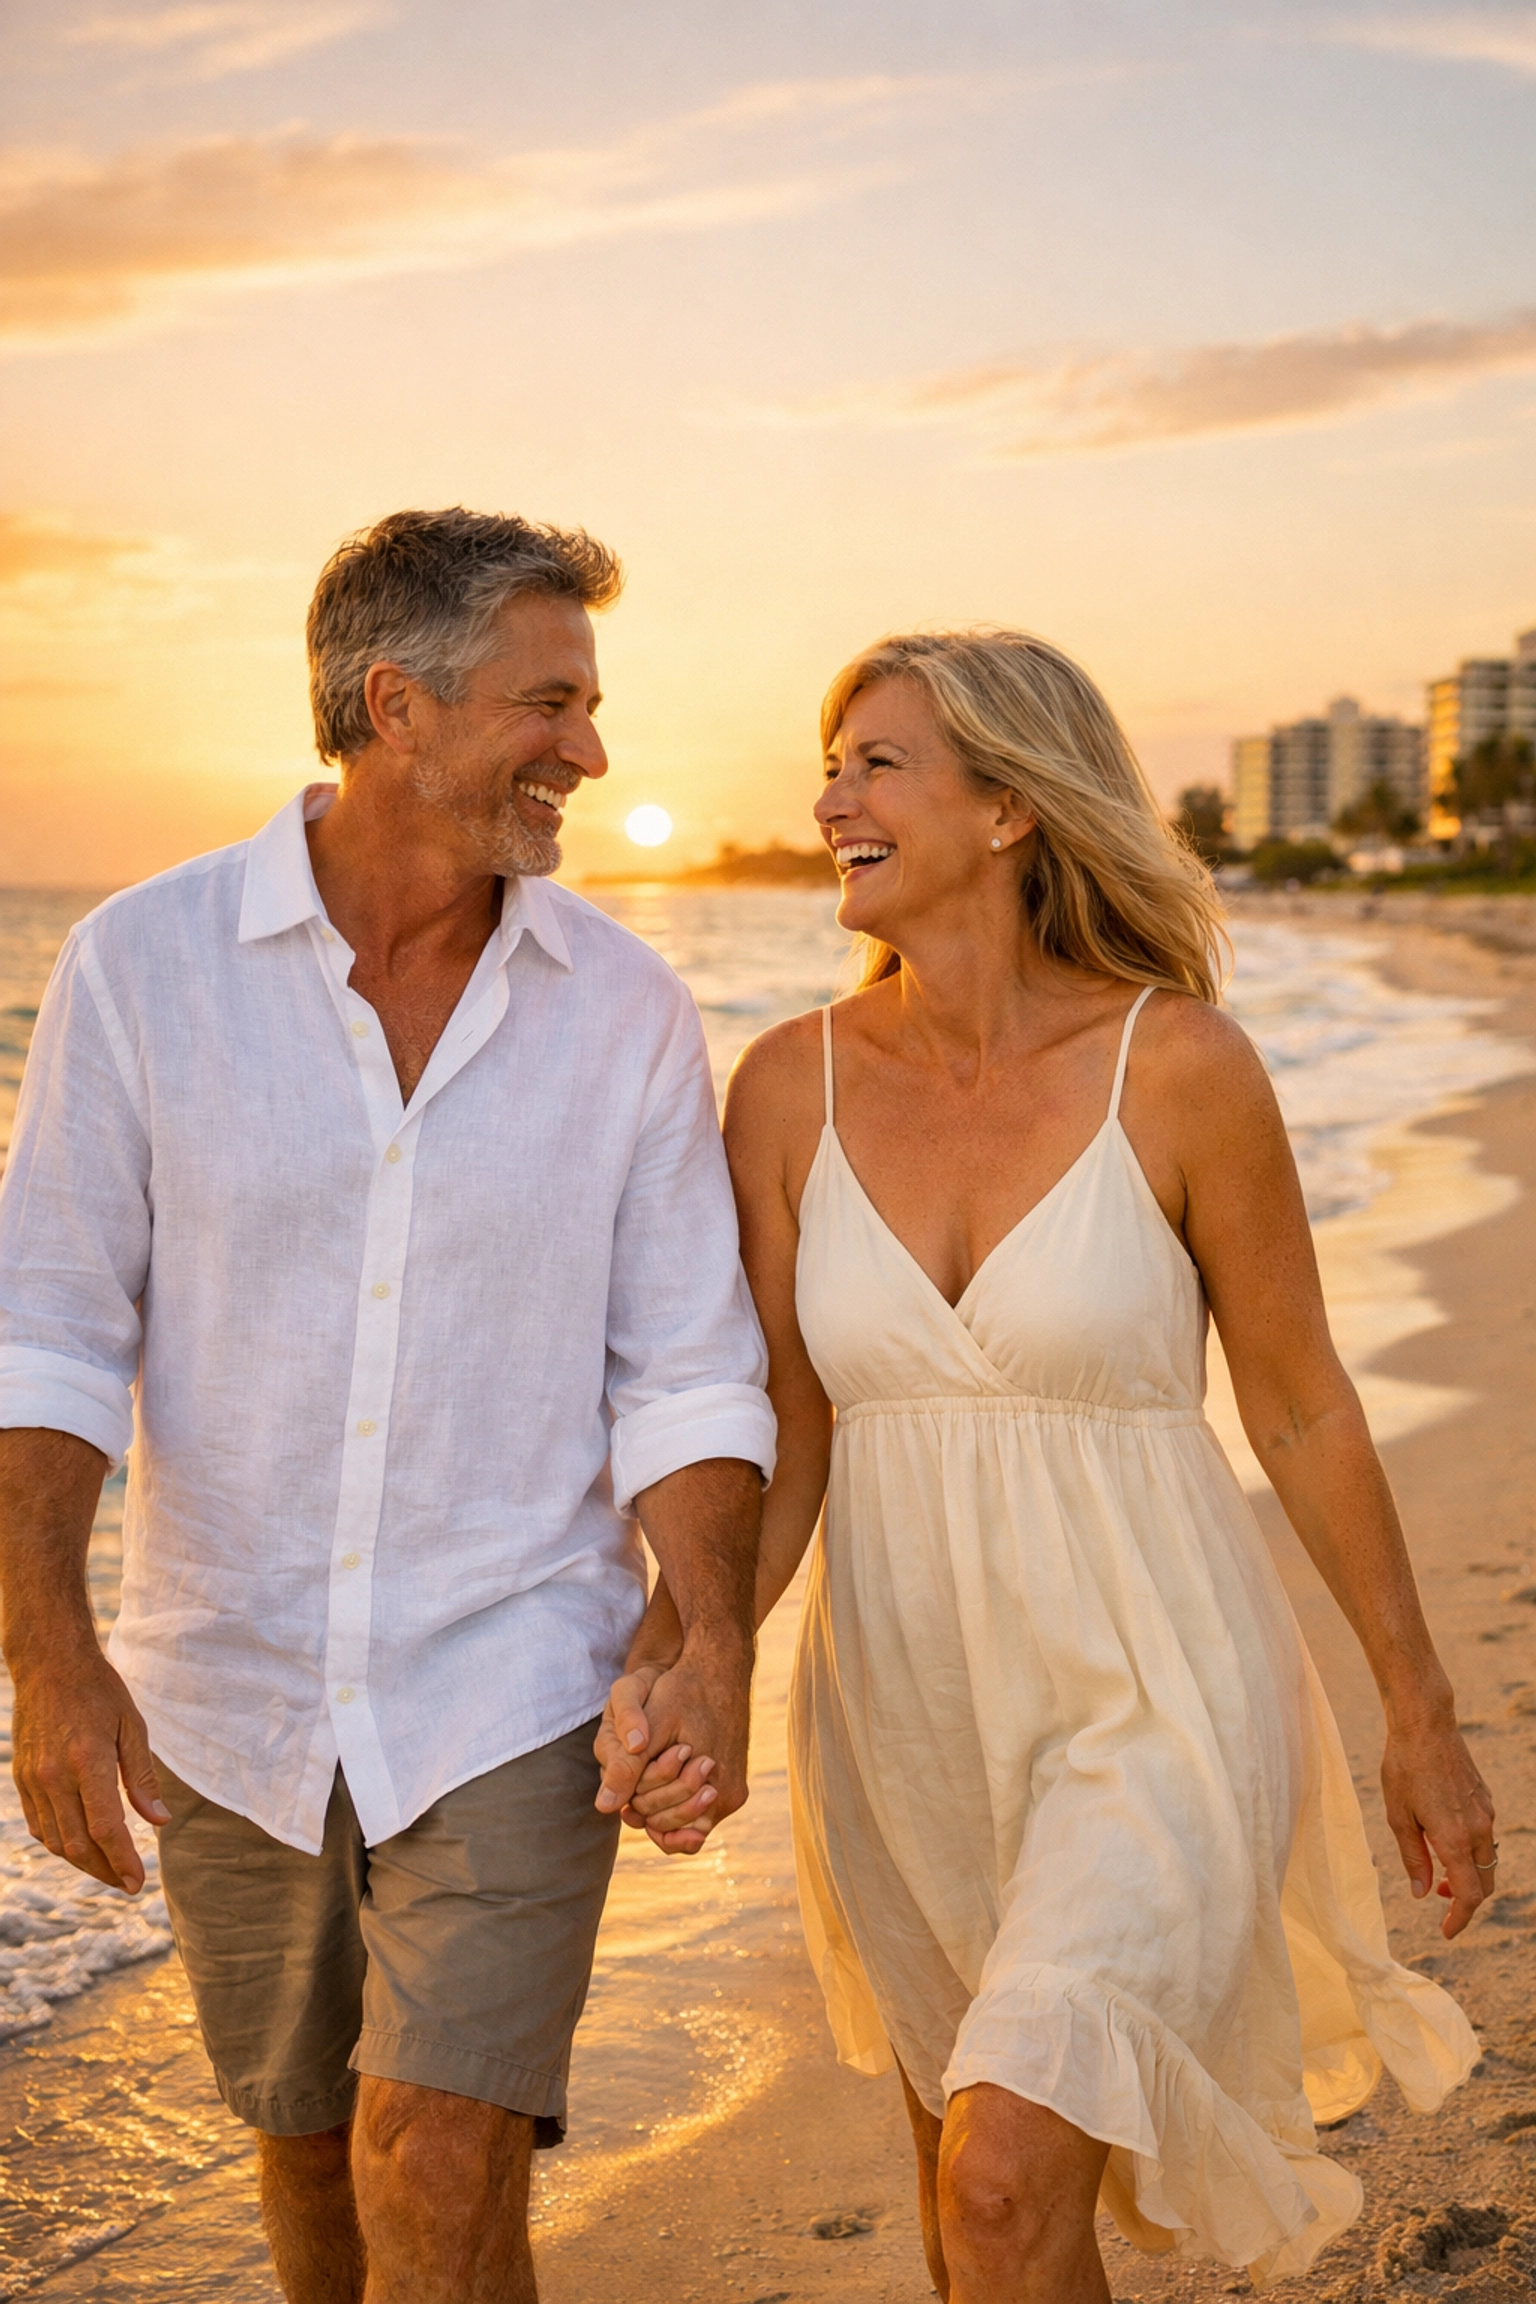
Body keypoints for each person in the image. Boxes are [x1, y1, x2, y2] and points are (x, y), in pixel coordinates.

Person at [602, 629, 1492, 2302]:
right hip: (904, 1705)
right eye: (829, 765)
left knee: (1003, 2181)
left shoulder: (1184, 1067)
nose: (830, 802)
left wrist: (1416, 1708)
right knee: (971, 2203)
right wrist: (684, 1657)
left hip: (1154, 1687)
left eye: (878, 764)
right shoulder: (785, 1087)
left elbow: (1301, 1408)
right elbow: (785, 1431)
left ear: (1011, 806)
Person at [0, 507, 775, 2304]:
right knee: (310, 2155)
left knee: (432, 2150)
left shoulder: (627, 1011)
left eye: (591, 707)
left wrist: (713, 1638)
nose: (590, 753)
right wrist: (48, 1659)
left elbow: (686, 1370)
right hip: (226, 1683)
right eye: (550, 704)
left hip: (515, 1671)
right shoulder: (141, 965)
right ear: (393, 705)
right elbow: (50, 1334)